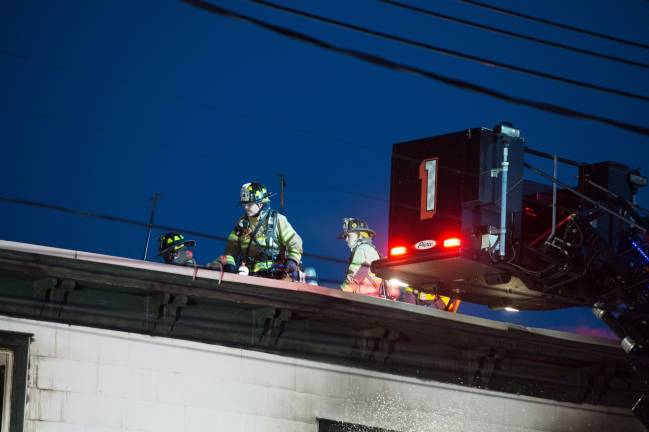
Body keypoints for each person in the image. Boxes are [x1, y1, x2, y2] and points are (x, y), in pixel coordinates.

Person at [217, 182, 303, 280]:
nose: (245, 207)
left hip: (275, 276)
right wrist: (230, 266)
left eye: (249, 204)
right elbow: (230, 250)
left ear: (260, 203)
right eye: (244, 204)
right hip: (247, 277)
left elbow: (295, 242)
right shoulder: (241, 225)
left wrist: (292, 261)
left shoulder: (277, 220)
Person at [339, 218, 399, 299]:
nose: (346, 239)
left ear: (359, 235)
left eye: (348, 236)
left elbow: (354, 277)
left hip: (363, 298)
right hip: (371, 297)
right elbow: (361, 273)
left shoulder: (362, 249)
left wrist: (340, 294)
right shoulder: (370, 249)